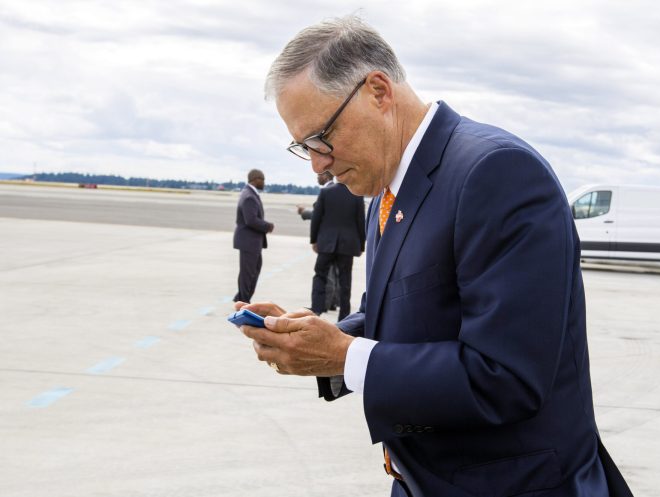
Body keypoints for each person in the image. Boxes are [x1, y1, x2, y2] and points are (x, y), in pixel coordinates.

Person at [237, 15, 633, 497]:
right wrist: (316, 341)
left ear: (378, 92)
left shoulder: (497, 173)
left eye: (321, 138)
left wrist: (346, 355)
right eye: (303, 147)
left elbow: (506, 378)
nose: (318, 164)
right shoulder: (386, 190)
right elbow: (404, 313)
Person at [309, 173, 365, 320]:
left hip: (326, 243)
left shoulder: (326, 192)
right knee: (345, 280)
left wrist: (314, 240)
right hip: (348, 245)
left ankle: (316, 309)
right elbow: (361, 221)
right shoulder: (357, 195)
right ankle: (344, 315)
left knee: (320, 275)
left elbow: (316, 218)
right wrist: (361, 245)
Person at [296, 172, 343, 313]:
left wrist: (304, 212)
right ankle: (334, 302)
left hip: (329, 241)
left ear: (325, 176)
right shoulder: (338, 190)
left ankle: (324, 305)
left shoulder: (328, 191)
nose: (317, 178)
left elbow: (319, 215)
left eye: (318, 175)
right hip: (340, 241)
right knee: (336, 273)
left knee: (326, 274)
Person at [233, 169, 273, 303]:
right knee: (248, 274)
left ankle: (241, 297)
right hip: (249, 241)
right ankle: (243, 301)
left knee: (252, 272)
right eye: (263, 179)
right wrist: (267, 226)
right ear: (255, 179)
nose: (264, 183)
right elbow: (251, 220)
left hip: (251, 242)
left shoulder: (249, 193)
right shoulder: (249, 196)